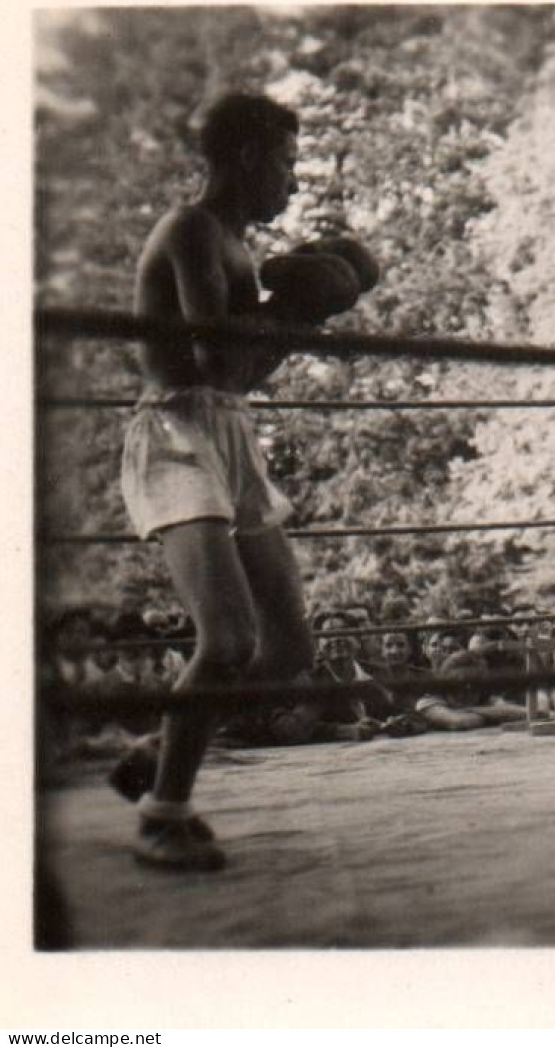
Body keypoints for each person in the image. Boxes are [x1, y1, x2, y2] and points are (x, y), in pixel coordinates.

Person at [111, 91, 375, 871]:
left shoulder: (238, 247)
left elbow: (245, 374)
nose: (294, 183)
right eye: (289, 163)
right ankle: (164, 812)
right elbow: (214, 361)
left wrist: (299, 315)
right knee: (226, 639)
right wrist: (294, 309)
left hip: (228, 431)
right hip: (175, 430)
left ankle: (162, 748)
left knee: (288, 646)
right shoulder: (189, 231)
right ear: (250, 157)